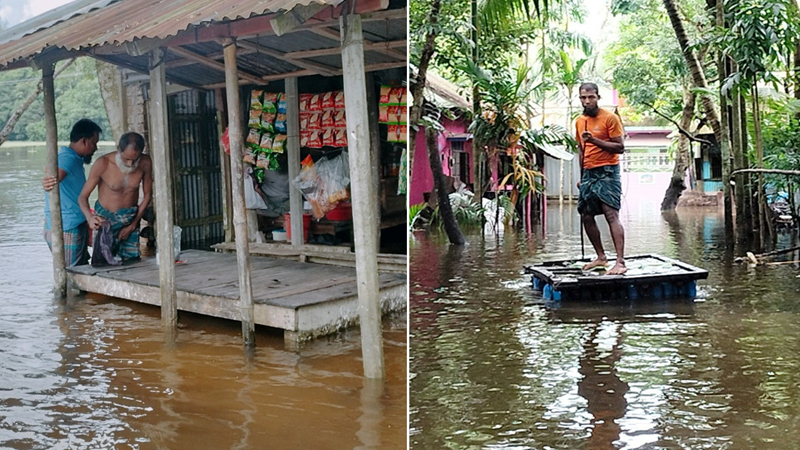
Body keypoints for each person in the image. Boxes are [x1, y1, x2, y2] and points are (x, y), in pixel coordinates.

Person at [575, 82, 627, 275]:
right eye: (583, 97)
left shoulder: (610, 118)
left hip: (608, 172)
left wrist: (594, 140)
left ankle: (620, 262)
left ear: (598, 97)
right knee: (586, 215)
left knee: (611, 215)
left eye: (591, 97)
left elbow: (620, 147)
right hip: (589, 173)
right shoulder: (579, 121)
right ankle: (601, 257)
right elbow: (581, 148)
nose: (587, 101)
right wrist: (582, 177)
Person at [78, 131, 152, 263]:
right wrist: (89, 218)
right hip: (105, 221)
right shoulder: (103, 164)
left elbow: (147, 195)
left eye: (135, 159)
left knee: (132, 261)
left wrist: (132, 225)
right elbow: (83, 196)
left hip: (130, 218)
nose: (130, 164)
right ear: (118, 150)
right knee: (101, 262)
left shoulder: (145, 162)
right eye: (126, 159)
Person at [43, 118, 103, 266]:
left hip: (73, 223)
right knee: (72, 272)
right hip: (67, 227)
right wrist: (47, 181)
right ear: (84, 141)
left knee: (81, 267)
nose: (95, 148)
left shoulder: (73, 158)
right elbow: (53, 177)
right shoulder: (67, 158)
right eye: (94, 143)